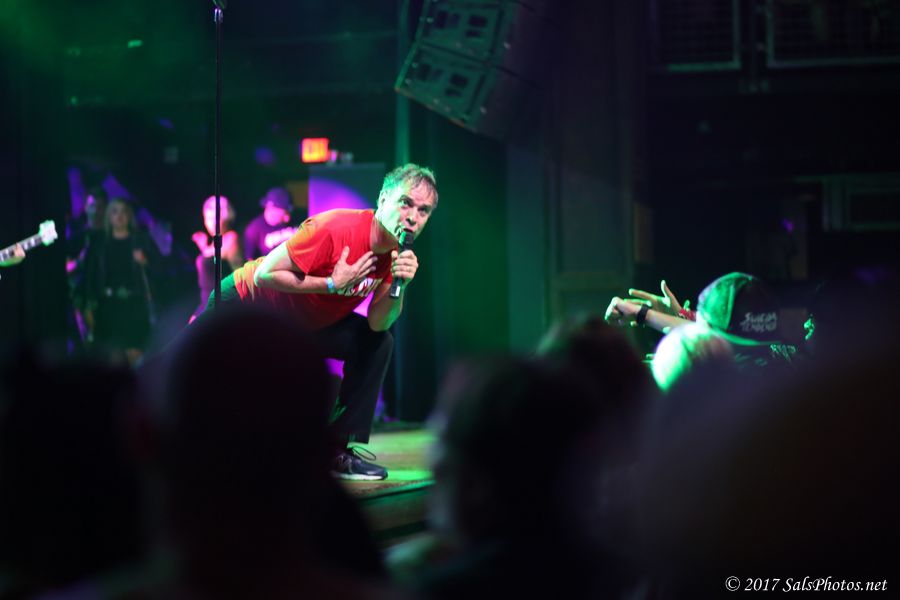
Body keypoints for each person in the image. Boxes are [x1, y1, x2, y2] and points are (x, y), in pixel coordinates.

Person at [204, 163, 438, 481]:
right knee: (181, 372)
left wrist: (401, 286)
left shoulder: (395, 254)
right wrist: (331, 283)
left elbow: (377, 323)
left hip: (306, 323)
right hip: (248, 304)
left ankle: (335, 450)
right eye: (406, 203)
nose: (413, 217)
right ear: (383, 199)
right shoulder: (337, 228)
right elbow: (265, 274)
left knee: (377, 342)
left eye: (423, 211)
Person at [84, 198, 155, 366]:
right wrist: (89, 306)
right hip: (108, 307)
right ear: (109, 216)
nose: (119, 215)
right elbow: (90, 277)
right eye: (115, 211)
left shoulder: (140, 240)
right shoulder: (100, 244)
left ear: (129, 216)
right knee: (111, 359)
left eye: (124, 211)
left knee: (135, 358)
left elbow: (159, 270)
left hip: (134, 305)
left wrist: (145, 262)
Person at [190, 195, 242, 322]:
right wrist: (203, 246)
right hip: (205, 303)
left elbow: (238, 275)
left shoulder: (231, 238)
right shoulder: (214, 242)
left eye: (216, 219)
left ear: (226, 218)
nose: (212, 223)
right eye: (208, 218)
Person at [243, 186, 299, 261]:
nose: (287, 219)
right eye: (284, 214)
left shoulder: (296, 220)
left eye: (289, 213)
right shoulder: (253, 230)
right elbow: (250, 262)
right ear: (270, 208)